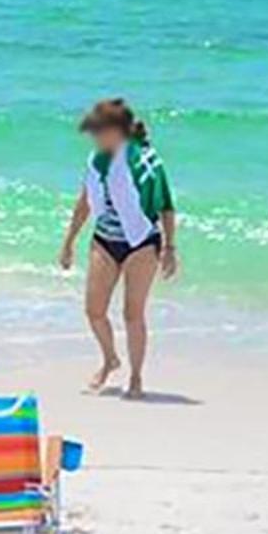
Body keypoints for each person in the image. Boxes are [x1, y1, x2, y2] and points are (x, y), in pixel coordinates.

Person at [58, 97, 180, 399]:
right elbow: (84, 203)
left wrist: (170, 248)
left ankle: (136, 377)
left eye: (99, 131)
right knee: (94, 310)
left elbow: (165, 205)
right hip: (105, 239)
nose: (95, 137)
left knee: (132, 314)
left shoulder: (146, 161)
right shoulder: (95, 162)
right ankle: (110, 359)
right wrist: (69, 242)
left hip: (141, 242)